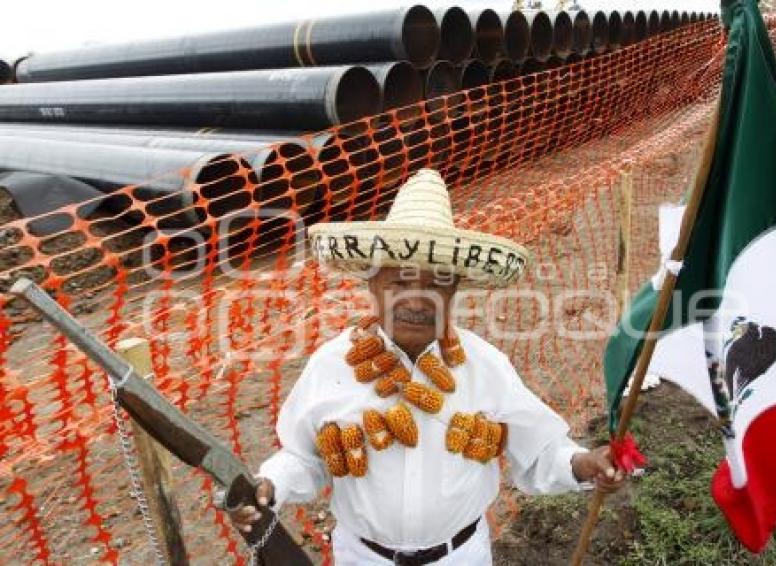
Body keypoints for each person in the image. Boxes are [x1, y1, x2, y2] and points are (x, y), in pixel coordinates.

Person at [228, 169, 626, 565]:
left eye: (435, 285)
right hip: (364, 558)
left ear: (453, 290)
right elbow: (304, 457)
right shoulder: (331, 365)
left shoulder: (486, 367)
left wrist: (581, 464)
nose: (416, 302)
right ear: (373, 285)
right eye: (399, 284)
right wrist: (271, 485)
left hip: (461, 555)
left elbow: (539, 451)